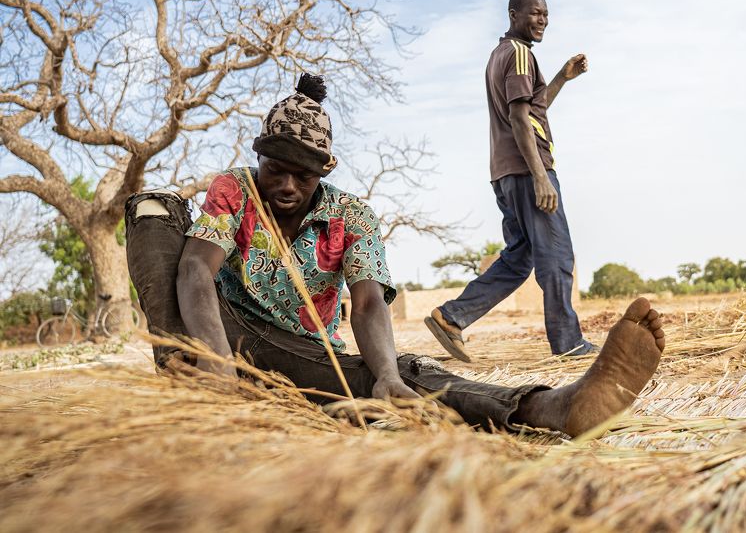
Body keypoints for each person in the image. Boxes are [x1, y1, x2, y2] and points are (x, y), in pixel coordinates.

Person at [125, 74, 666, 436]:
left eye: (303, 175)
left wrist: (384, 371)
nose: (286, 186)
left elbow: (366, 304)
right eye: (275, 170)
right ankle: (193, 387)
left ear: (325, 171)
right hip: (217, 334)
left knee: (396, 377)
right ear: (258, 159)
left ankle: (552, 408)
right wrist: (216, 362)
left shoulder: (351, 215)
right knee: (152, 209)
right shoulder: (235, 189)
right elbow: (194, 269)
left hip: (302, 354)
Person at [424, 0, 594, 361]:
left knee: (519, 259)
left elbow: (532, 109)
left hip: (505, 174)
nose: (542, 20)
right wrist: (540, 176)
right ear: (513, 14)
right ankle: (569, 343)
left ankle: (451, 317)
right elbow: (519, 118)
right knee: (557, 254)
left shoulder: (500, 54)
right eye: (535, 13)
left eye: (546, 15)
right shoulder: (519, 54)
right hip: (527, 170)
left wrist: (562, 77)